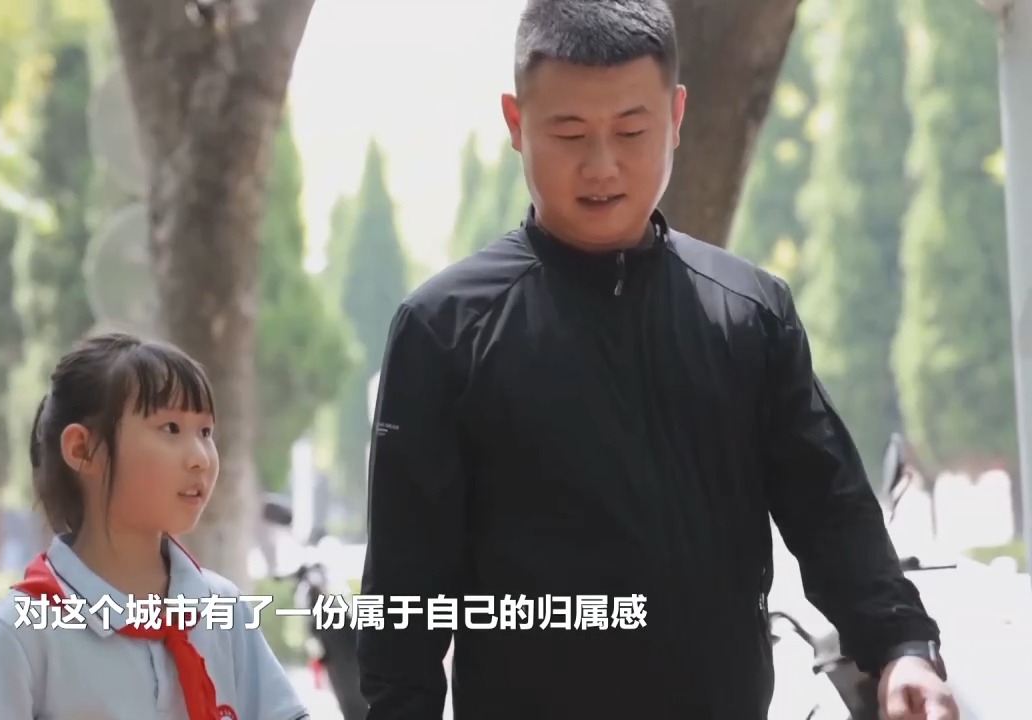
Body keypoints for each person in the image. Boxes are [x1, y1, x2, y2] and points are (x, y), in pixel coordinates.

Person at [356, 1, 957, 718]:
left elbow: (829, 509)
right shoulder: (444, 330)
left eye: (631, 131)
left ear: (675, 117)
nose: (601, 165)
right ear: (517, 124)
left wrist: (901, 648)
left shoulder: (749, 313)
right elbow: (403, 596)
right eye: (569, 133)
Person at [0, 333, 307, 720]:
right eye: (171, 428)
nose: (201, 458)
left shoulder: (222, 610)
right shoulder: (25, 631)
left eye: (205, 432)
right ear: (83, 450)